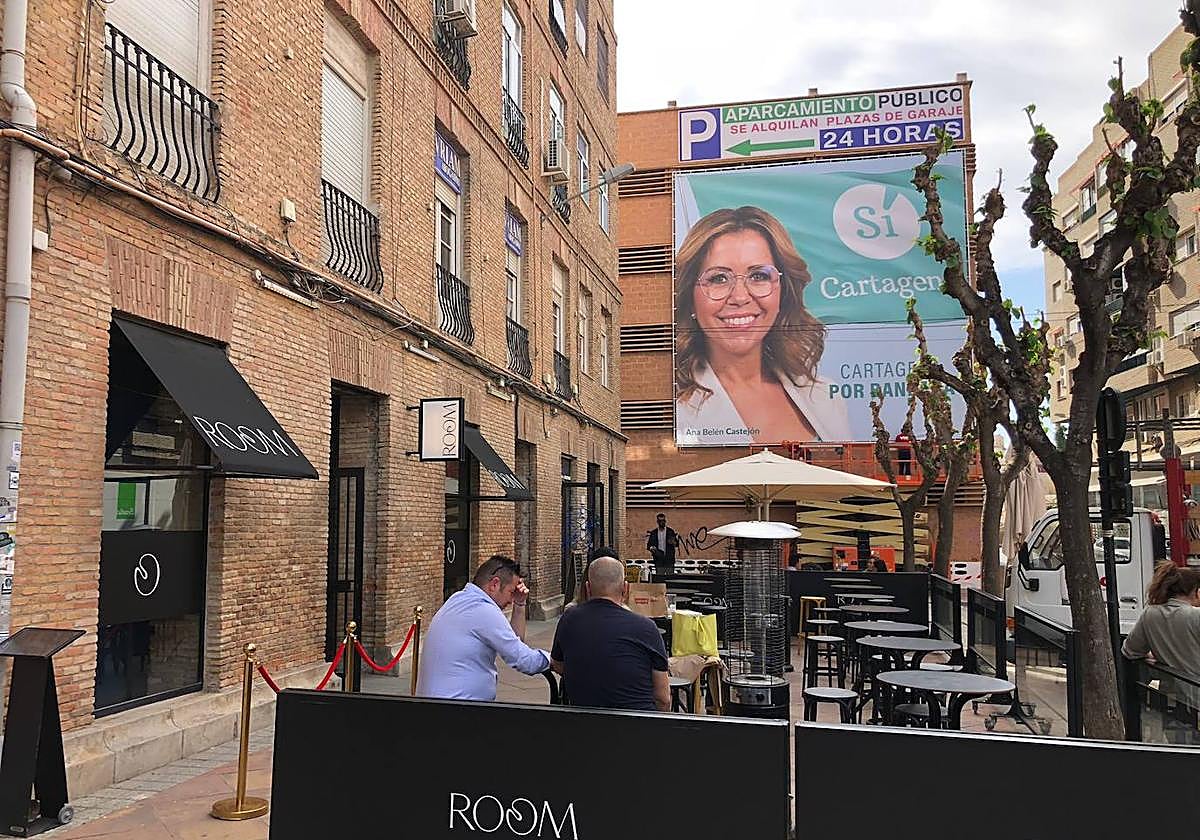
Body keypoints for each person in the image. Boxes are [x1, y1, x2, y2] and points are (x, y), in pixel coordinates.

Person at [674, 206, 849, 445]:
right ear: (689, 296)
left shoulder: (826, 396)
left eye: (759, 276)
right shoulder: (672, 407)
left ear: (783, 291)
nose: (739, 297)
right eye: (718, 278)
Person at [416, 555, 549, 702]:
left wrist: (520, 604)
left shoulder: (458, 599)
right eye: (511, 592)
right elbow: (523, 660)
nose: (511, 600)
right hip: (457, 709)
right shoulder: (482, 610)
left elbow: (515, 642)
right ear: (494, 584)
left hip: (440, 705)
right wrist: (555, 660)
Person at [550, 556, 671, 712]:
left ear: (588, 588)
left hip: (584, 722)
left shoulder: (569, 619)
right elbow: (663, 698)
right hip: (637, 722)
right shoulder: (646, 628)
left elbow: (558, 665)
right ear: (626, 589)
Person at [1122, 562, 1200, 683]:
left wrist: (1154, 655)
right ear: (1197, 592)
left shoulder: (1150, 614)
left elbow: (1130, 650)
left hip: (1169, 691)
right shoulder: (1195, 615)